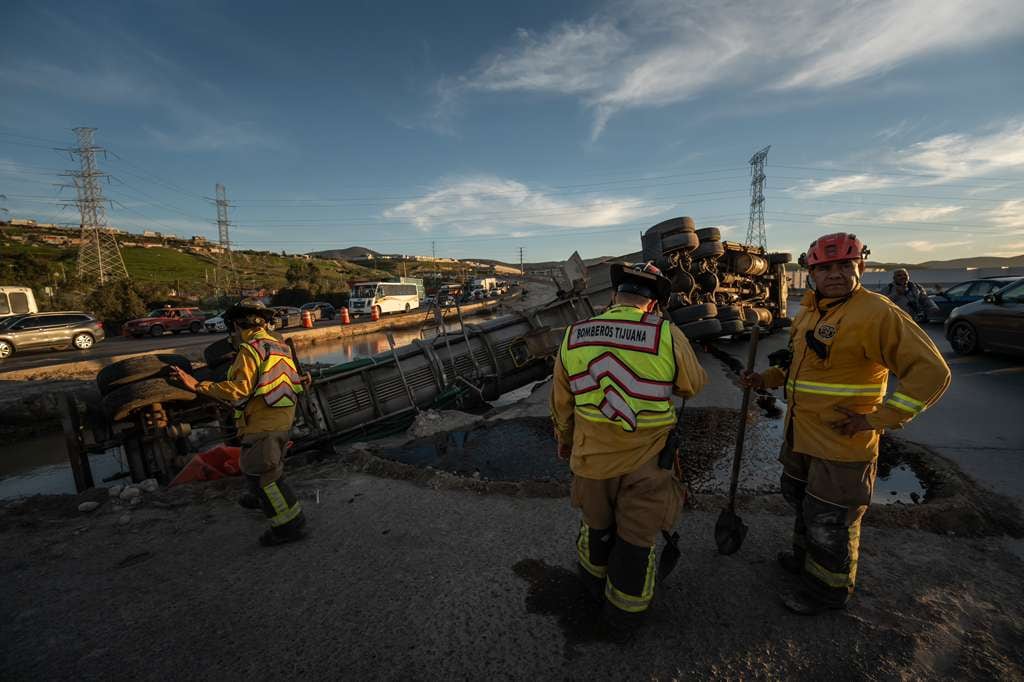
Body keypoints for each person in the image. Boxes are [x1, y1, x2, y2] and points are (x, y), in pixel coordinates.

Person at [740, 233, 950, 615]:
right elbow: (796, 365)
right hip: (801, 436)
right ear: (811, 273)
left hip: (842, 445)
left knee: (830, 520)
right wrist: (764, 379)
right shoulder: (809, 311)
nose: (834, 274)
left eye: (843, 266)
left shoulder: (876, 313)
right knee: (803, 504)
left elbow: (932, 372)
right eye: (825, 268)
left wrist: (878, 419)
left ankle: (827, 592)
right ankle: (805, 563)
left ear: (860, 267)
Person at [550, 262, 708, 626]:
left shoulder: (575, 333)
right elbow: (692, 386)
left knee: (595, 525)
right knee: (636, 538)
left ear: (613, 297)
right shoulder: (666, 333)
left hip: (591, 458)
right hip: (648, 461)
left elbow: (561, 402)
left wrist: (565, 440)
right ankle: (622, 618)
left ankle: (591, 586)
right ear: (652, 304)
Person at [171, 299, 308, 547]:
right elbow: (291, 381)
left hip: (263, 424)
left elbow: (240, 388)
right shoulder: (279, 347)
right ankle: (264, 501)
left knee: (266, 478)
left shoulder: (250, 349)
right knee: (254, 468)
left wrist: (197, 385)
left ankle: (288, 526)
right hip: (281, 419)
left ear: (236, 325)